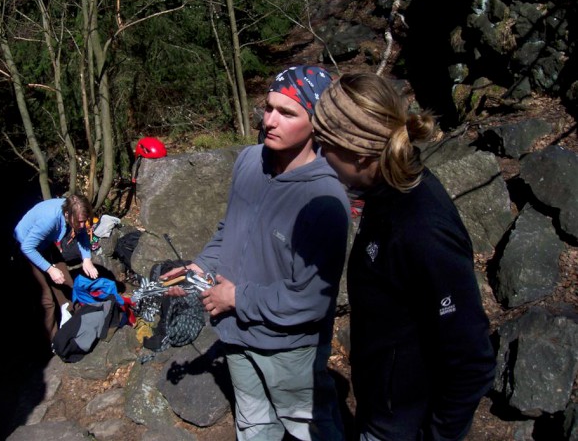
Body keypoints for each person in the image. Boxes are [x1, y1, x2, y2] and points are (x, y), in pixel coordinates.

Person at [161, 65, 350, 441]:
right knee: (253, 426)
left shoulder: (325, 200)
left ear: (317, 124)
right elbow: (229, 229)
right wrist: (200, 266)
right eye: (268, 108)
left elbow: (311, 299)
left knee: (311, 430)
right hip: (234, 333)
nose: (270, 121)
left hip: (289, 348)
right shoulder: (249, 160)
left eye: (287, 113)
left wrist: (235, 297)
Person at [311, 72, 496, 441]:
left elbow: (472, 360)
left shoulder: (422, 228)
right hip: (382, 406)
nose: (319, 154)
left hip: (403, 426)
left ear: (361, 153)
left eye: (324, 144)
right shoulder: (386, 195)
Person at [14, 193, 99, 346]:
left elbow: (82, 233)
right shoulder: (49, 220)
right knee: (46, 298)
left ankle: (77, 322)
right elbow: (28, 247)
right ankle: (54, 342)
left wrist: (87, 259)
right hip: (27, 246)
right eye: (79, 222)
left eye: (84, 221)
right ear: (67, 214)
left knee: (67, 283)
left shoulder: (74, 212)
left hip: (45, 243)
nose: (81, 225)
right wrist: (49, 269)